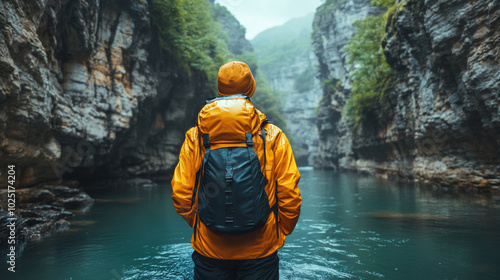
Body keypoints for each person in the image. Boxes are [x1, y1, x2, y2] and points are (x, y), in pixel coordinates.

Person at [171, 61, 302, 280]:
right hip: (261, 248)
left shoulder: (196, 136)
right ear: (251, 88)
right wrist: (279, 231)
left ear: (219, 89)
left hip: (209, 248)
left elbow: (181, 194)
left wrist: (202, 224)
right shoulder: (272, 135)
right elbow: (289, 194)